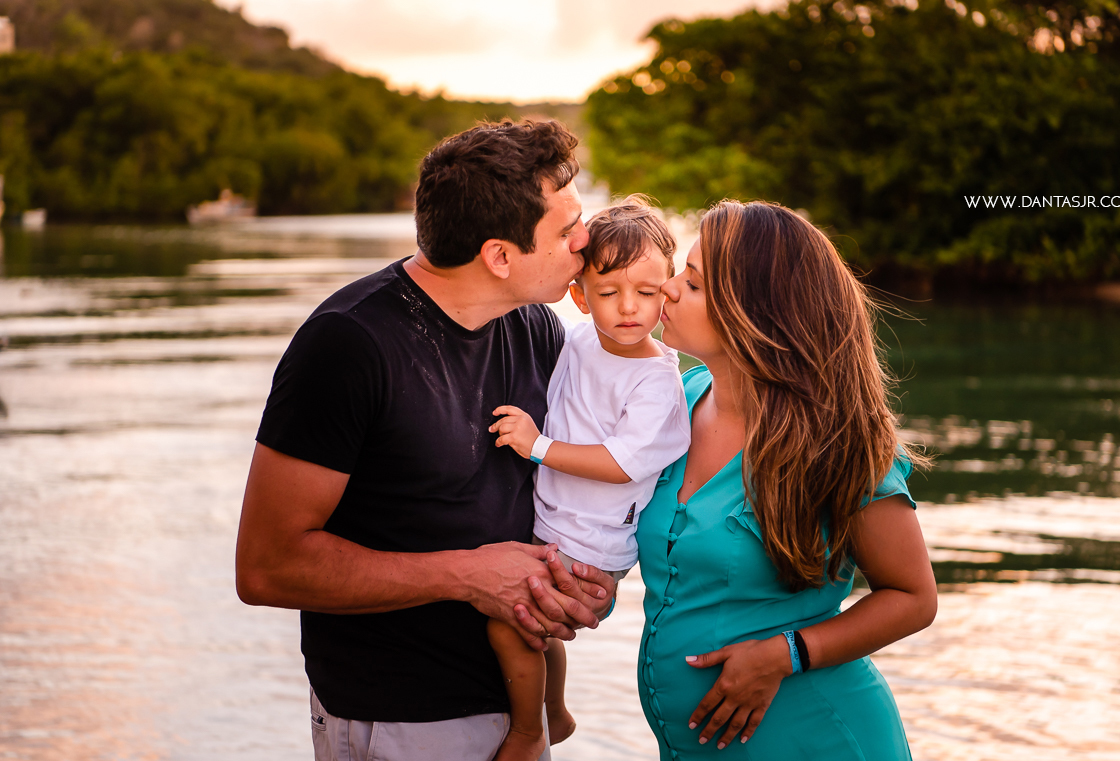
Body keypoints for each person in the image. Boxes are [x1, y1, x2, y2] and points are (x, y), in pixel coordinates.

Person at [234, 119, 616, 761]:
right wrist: (467, 576)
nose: (586, 239)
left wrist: (586, 579)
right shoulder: (347, 344)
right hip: (397, 720)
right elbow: (265, 567)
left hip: (521, 708)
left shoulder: (536, 325)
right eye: (566, 229)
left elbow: (571, 481)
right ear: (499, 256)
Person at [637, 200, 937, 759]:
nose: (667, 289)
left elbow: (913, 597)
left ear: (755, 315)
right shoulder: (676, 400)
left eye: (694, 284)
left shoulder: (840, 443)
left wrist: (785, 654)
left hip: (817, 739)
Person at [485, 196, 692, 761]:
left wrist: (537, 447)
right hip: (555, 522)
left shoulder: (657, 383)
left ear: (667, 292)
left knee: (511, 625)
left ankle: (529, 731)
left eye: (646, 293)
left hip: (594, 540)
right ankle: (555, 711)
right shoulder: (575, 341)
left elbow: (622, 463)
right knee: (538, 627)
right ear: (579, 295)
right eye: (608, 292)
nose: (628, 308)